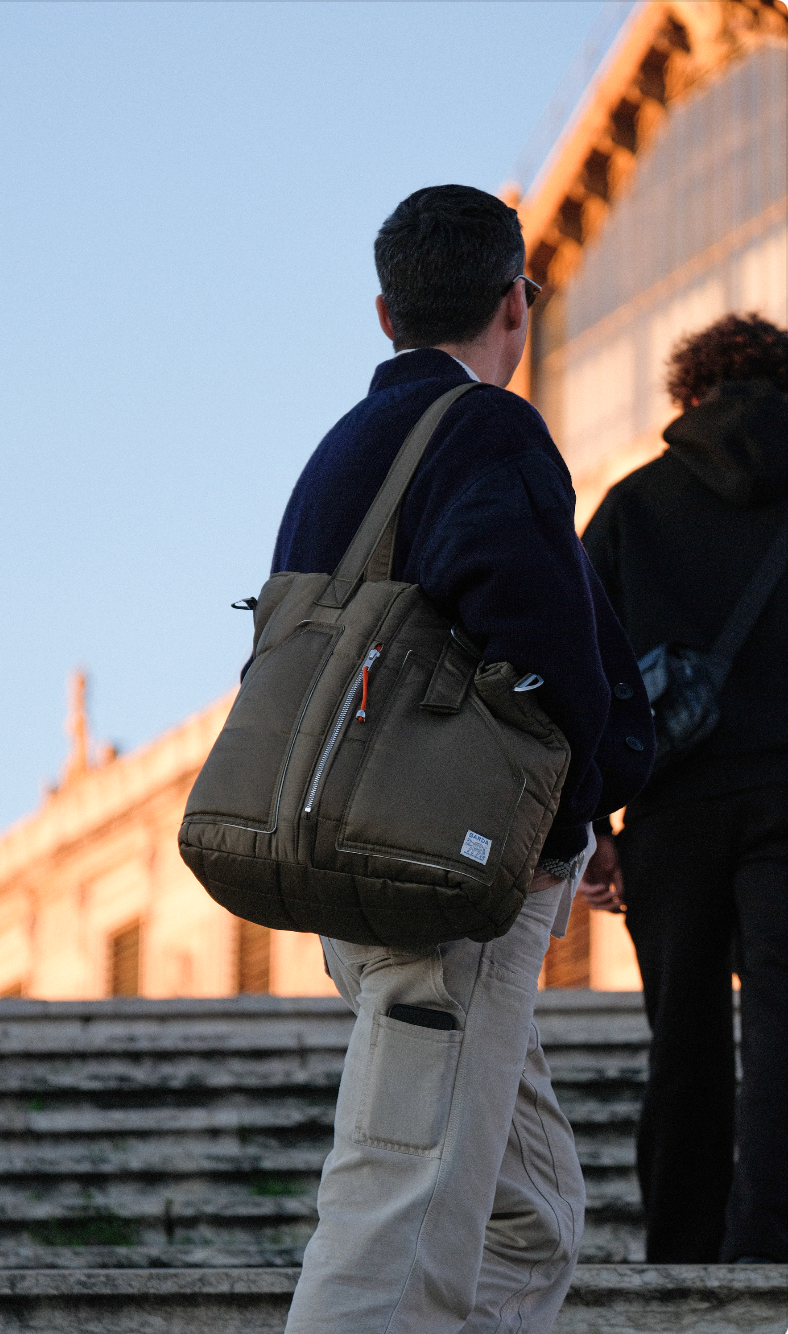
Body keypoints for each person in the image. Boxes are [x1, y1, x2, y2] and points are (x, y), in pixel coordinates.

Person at [271, 185, 654, 1334]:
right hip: (459, 867)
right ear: (516, 303)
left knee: (527, 1212)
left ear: (385, 313)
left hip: (360, 840)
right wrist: (569, 817)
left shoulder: (341, 450)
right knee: (402, 1203)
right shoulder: (486, 429)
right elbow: (535, 630)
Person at [579, 314, 788, 1265]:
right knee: (782, 1034)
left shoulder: (633, 504)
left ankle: (681, 1256)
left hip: (668, 812)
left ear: (688, 395)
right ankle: (769, 1248)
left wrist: (591, 826)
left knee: (686, 1039)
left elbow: (571, 669)